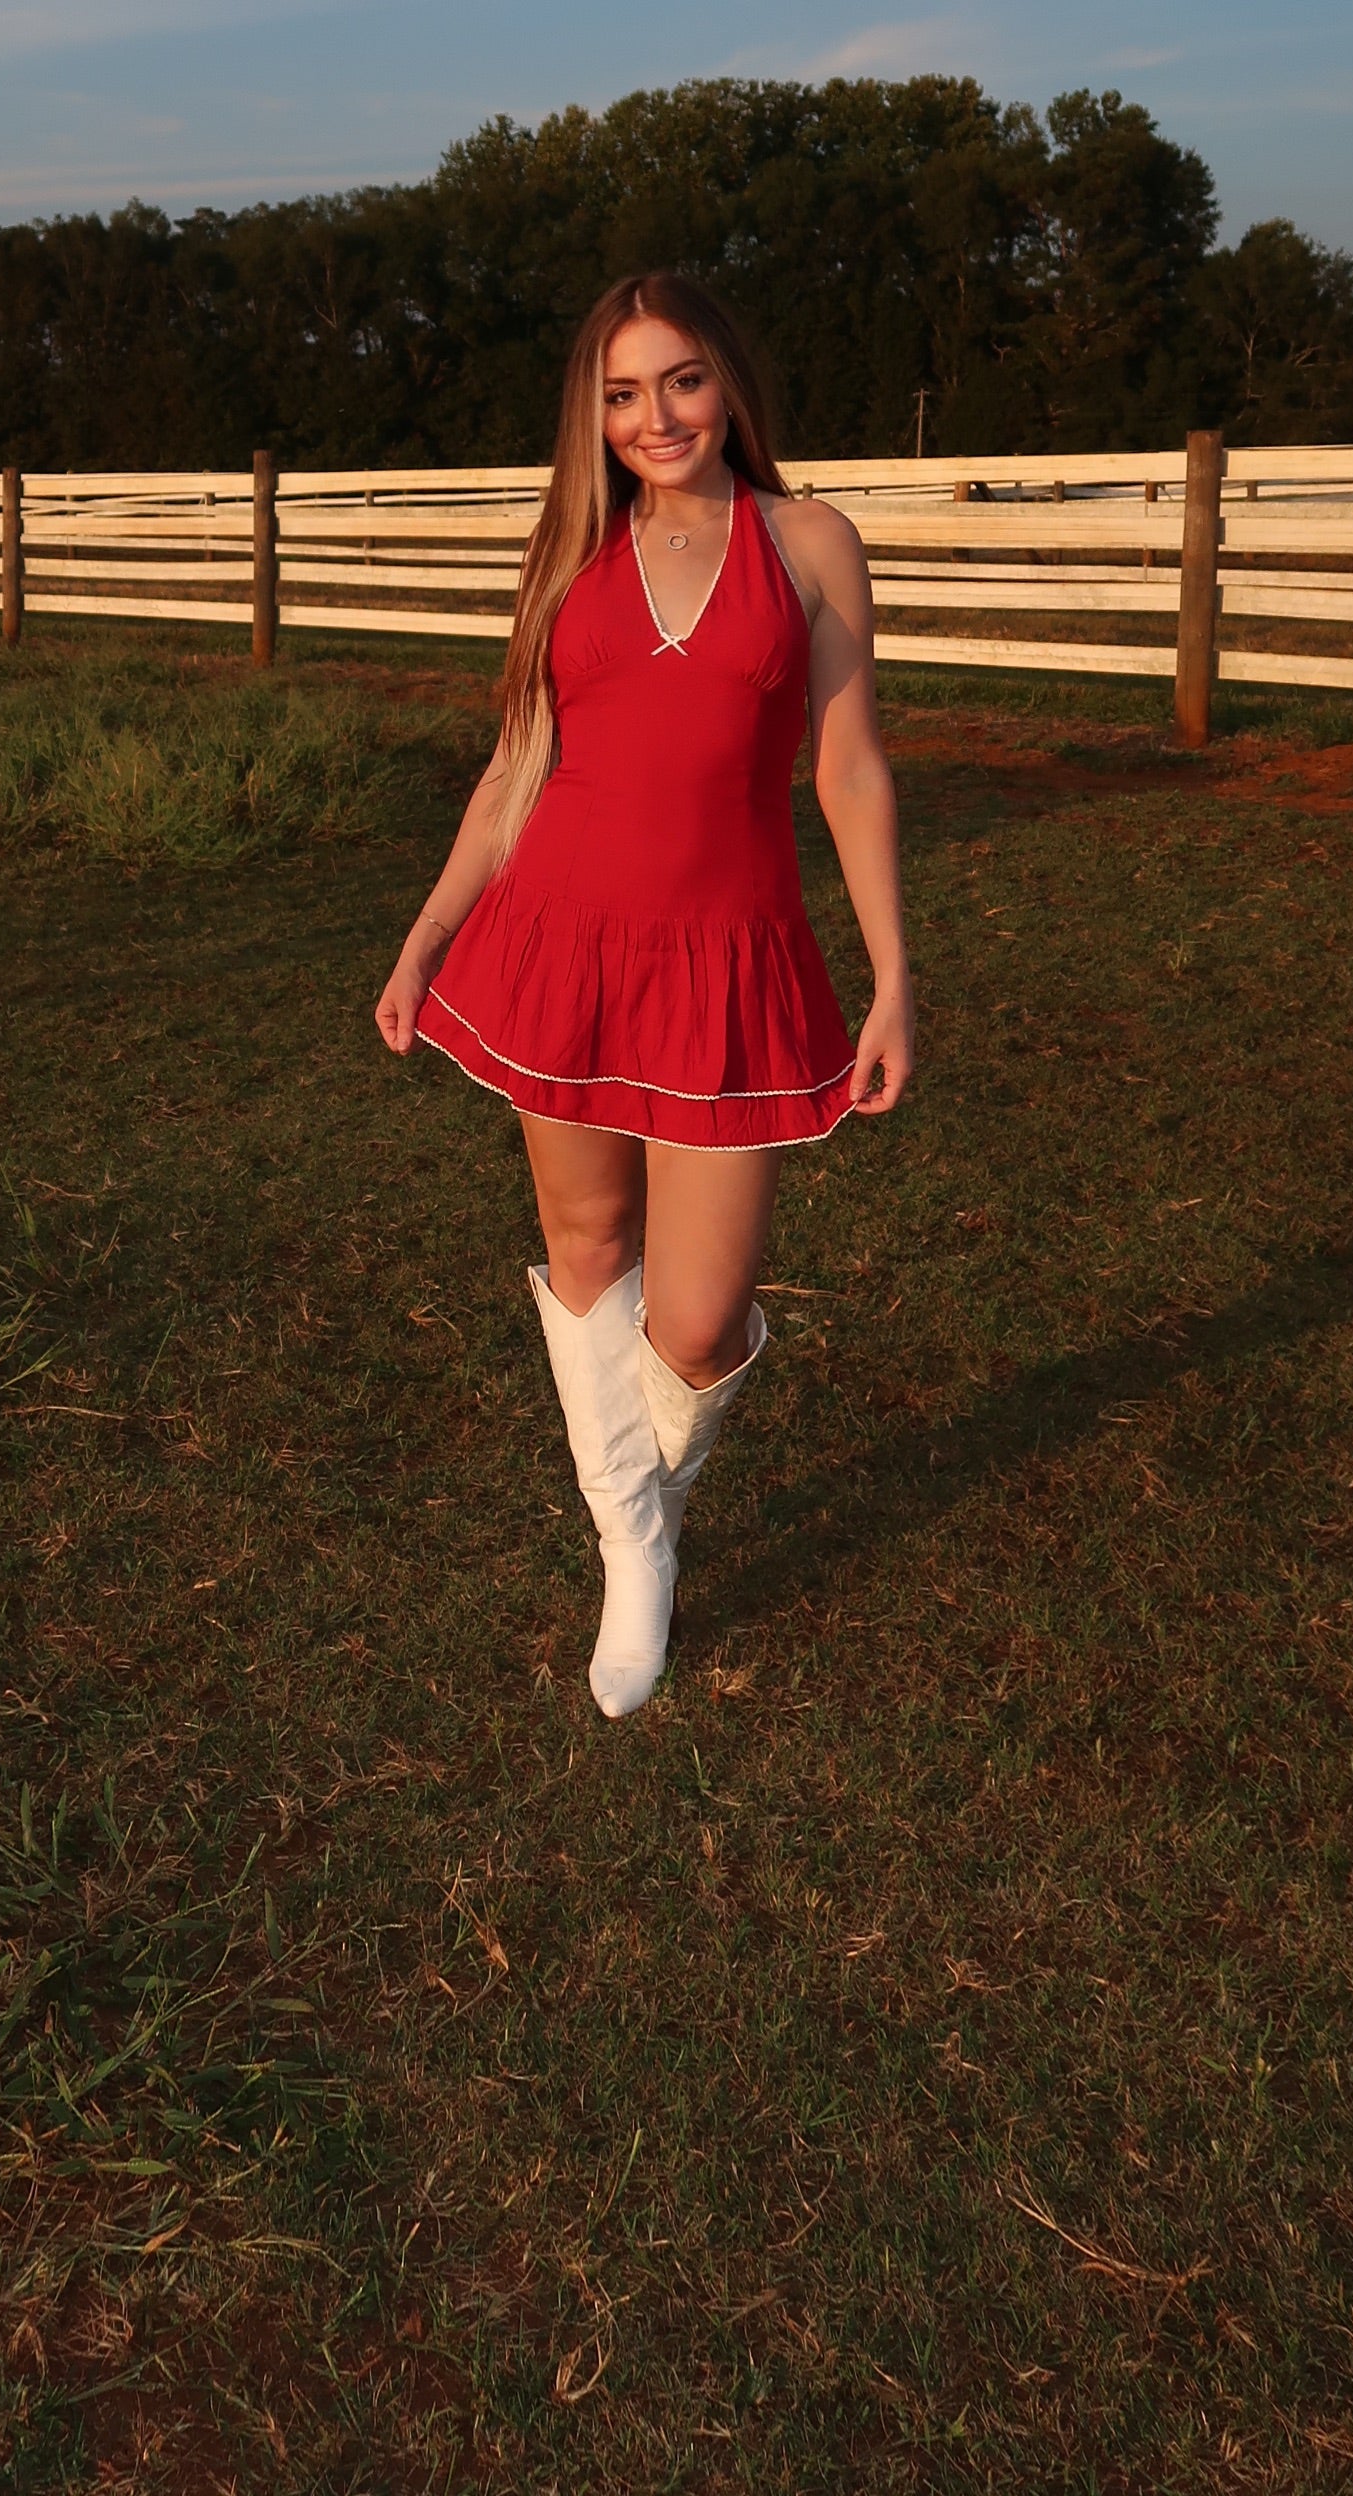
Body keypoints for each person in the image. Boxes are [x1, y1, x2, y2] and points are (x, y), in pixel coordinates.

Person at [374, 271, 912, 1719]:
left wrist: (893, 977)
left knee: (693, 1319)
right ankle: (633, 1544)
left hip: (728, 958)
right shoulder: (567, 551)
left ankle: (641, 1481)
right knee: (586, 1241)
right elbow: (512, 769)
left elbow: (848, 766)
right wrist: (430, 933)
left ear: (728, 383)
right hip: (561, 944)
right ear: (590, 414)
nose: (654, 416)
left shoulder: (809, 544)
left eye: (679, 381)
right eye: (620, 394)